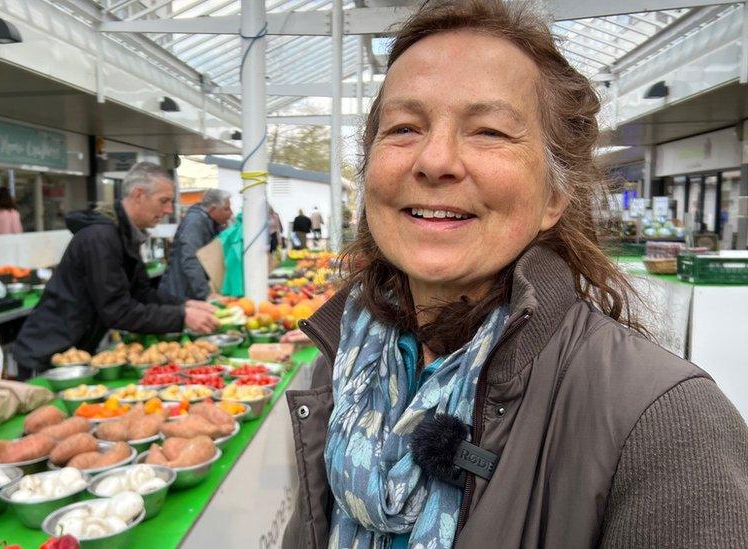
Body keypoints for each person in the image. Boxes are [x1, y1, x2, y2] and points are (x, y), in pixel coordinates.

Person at [282, 2, 748, 549]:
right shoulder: (345, 365)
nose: (435, 161)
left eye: (489, 132)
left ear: (554, 194)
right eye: (404, 127)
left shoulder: (666, 422)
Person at [13, 163, 220, 374]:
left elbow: (141, 293)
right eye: (164, 201)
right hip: (48, 354)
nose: (168, 210)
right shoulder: (101, 238)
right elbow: (118, 310)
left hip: (76, 349)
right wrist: (181, 316)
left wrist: (185, 305)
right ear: (139, 194)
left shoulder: (125, 234)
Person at [160, 188, 233, 300]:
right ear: (213, 209)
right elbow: (190, 260)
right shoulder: (195, 223)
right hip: (180, 294)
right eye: (226, 209)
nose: (231, 213)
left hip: (189, 292)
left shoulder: (211, 223)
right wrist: (206, 294)